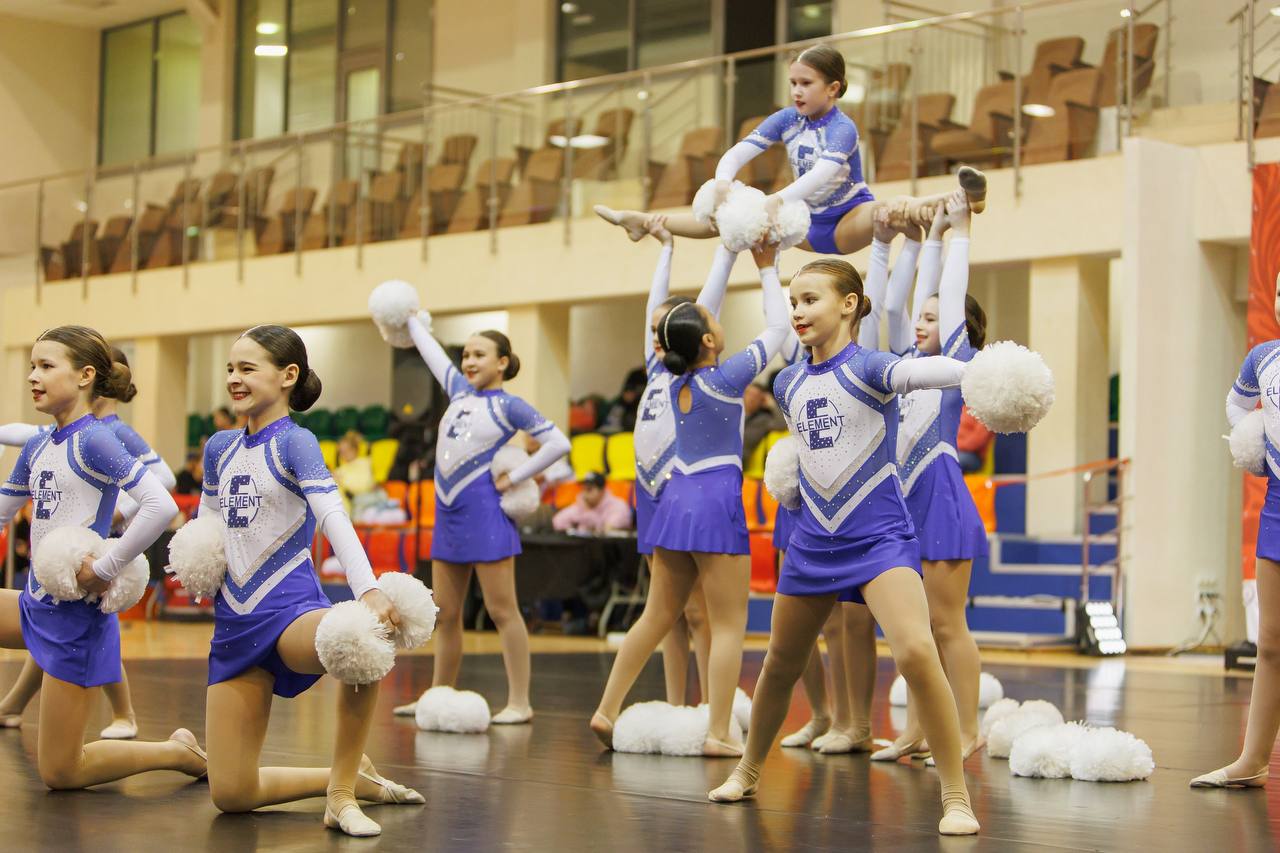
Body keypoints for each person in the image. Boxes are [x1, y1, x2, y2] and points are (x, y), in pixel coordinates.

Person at [706, 256, 979, 836]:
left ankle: (956, 796)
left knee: (914, 650)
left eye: (811, 300)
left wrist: (983, 372)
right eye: (793, 301)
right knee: (780, 662)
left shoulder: (875, 367)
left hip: (880, 538)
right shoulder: (786, 381)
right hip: (813, 541)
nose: (798, 311)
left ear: (849, 304)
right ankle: (749, 769)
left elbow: (929, 374)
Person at [199, 325, 420, 838]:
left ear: (288, 376)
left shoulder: (296, 441)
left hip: (290, 612)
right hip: (234, 621)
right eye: (230, 368)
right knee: (231, 795)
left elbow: (331, 515)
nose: (234, 378)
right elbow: (206, 524)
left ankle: (340, 795)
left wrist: (366, 589)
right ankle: (347, 778)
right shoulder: (218, 447)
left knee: (358, 639)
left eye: (247, 368)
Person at [592, 241, 788, 756]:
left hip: (674, 502)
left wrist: (725, 255)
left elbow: (683, 320)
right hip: (715, 501)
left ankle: (606, 708)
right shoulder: (725, 379)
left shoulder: (670, 378)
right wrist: (768, 269)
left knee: (656, 615)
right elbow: (781, 331)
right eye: (711, 318)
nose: (719, 319)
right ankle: (719, 733)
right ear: (708, 337)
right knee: (728, 624)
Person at [0, 325, 205, 790]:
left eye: (46, 366)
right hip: (34, 603)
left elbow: (161, 504)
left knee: (61, 771)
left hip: (74, 617)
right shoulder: (37, 445)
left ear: (85, 376)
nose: (33, 376)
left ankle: (177, 752)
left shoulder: (97, 439)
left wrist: (105, 568)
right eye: (32, 366)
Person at [595, 44, 986, 256]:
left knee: (891, 209)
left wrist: (776, 200)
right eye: (793, 83)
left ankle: (965, 198)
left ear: (833, 88)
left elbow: (821, 176)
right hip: (803, 222)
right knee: (730, 217)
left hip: (847, 217)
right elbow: (735, 154)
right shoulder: (786, 119)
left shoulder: (843, 129)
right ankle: (641, 221)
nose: (796, 91)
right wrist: (722, 183)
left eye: (806, 83)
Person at [391, 316, 570, 725]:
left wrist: (517, 475)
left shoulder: (509, 406)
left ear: (503, 362)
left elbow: (559, 442)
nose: (469, 361)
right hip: (448, 515)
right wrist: (413, 321)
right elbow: (433, 355)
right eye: (466, 354)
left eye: (479, 355)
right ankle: (438, 695)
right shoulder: (457, 392)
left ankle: (520, 702)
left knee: (502, 610)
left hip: (486, 513)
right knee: (446, 613)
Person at [869, 192, 990, 762]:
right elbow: (893, 310)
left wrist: (955, 233)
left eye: (933, 318)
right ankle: (917, 729)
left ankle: (967, 729)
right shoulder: (903, 367)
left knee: (946, 624)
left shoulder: (956, 369)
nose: (919, 325)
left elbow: (947, 305)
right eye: (922, 317)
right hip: (902, 506)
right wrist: (923, 239)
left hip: (939, 498)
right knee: (910, 632)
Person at [633, 216, 732, 708]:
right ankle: (674, 704)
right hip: (648, 493)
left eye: (665, 330)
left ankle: (713, 704)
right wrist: (665, 248)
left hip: (680, 489)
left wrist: (727, 251)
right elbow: (655, 305)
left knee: (697, 613)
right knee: (665, 611)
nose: (656, 335)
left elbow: (705, 305)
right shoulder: (655, 367)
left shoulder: (693, 373)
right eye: (653, 330)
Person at [1191, 271, 1280, 790]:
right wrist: (1253, 442)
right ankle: (1253, 758)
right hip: (1277, 505)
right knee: (1270, 642)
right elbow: (1236, 405)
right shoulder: (1264, 356)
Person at [553, 472, 632, 534]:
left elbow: (610, 529)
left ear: (602, 491)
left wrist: (587, 515)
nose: (585, 493)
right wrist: (572, 528)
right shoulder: (582, 505)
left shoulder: (618, 505)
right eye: (584, 489)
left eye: (590, 489)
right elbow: (558, 521)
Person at [742, 382, 786, 463]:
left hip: (738, 459)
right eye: (749, 394)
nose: (751, 399)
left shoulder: (762, 420)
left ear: (762, 401)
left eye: (756, 396)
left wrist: (772, 404)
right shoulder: (732, 412)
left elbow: (782, 424)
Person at [598, 368, 648, 435]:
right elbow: (626, 394)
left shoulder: (661, 374)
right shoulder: (635, 374)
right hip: (631, 408)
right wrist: (629, 396)